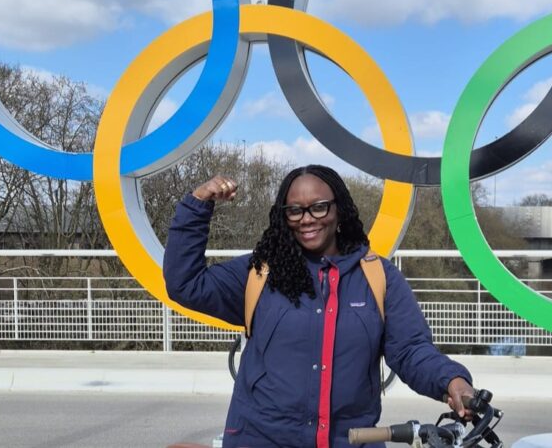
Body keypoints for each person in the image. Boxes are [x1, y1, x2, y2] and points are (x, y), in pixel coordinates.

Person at [164, 164, 474, 448]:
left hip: (351, 440)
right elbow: (185, 284)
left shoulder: (378, 276)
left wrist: (451, 380)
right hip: (260, 438)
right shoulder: (260, 273)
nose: (307, 218)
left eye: (319, 207)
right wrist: (198, 205)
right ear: (283, 216)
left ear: (339, 210)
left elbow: (410, 350)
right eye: (295, 211)